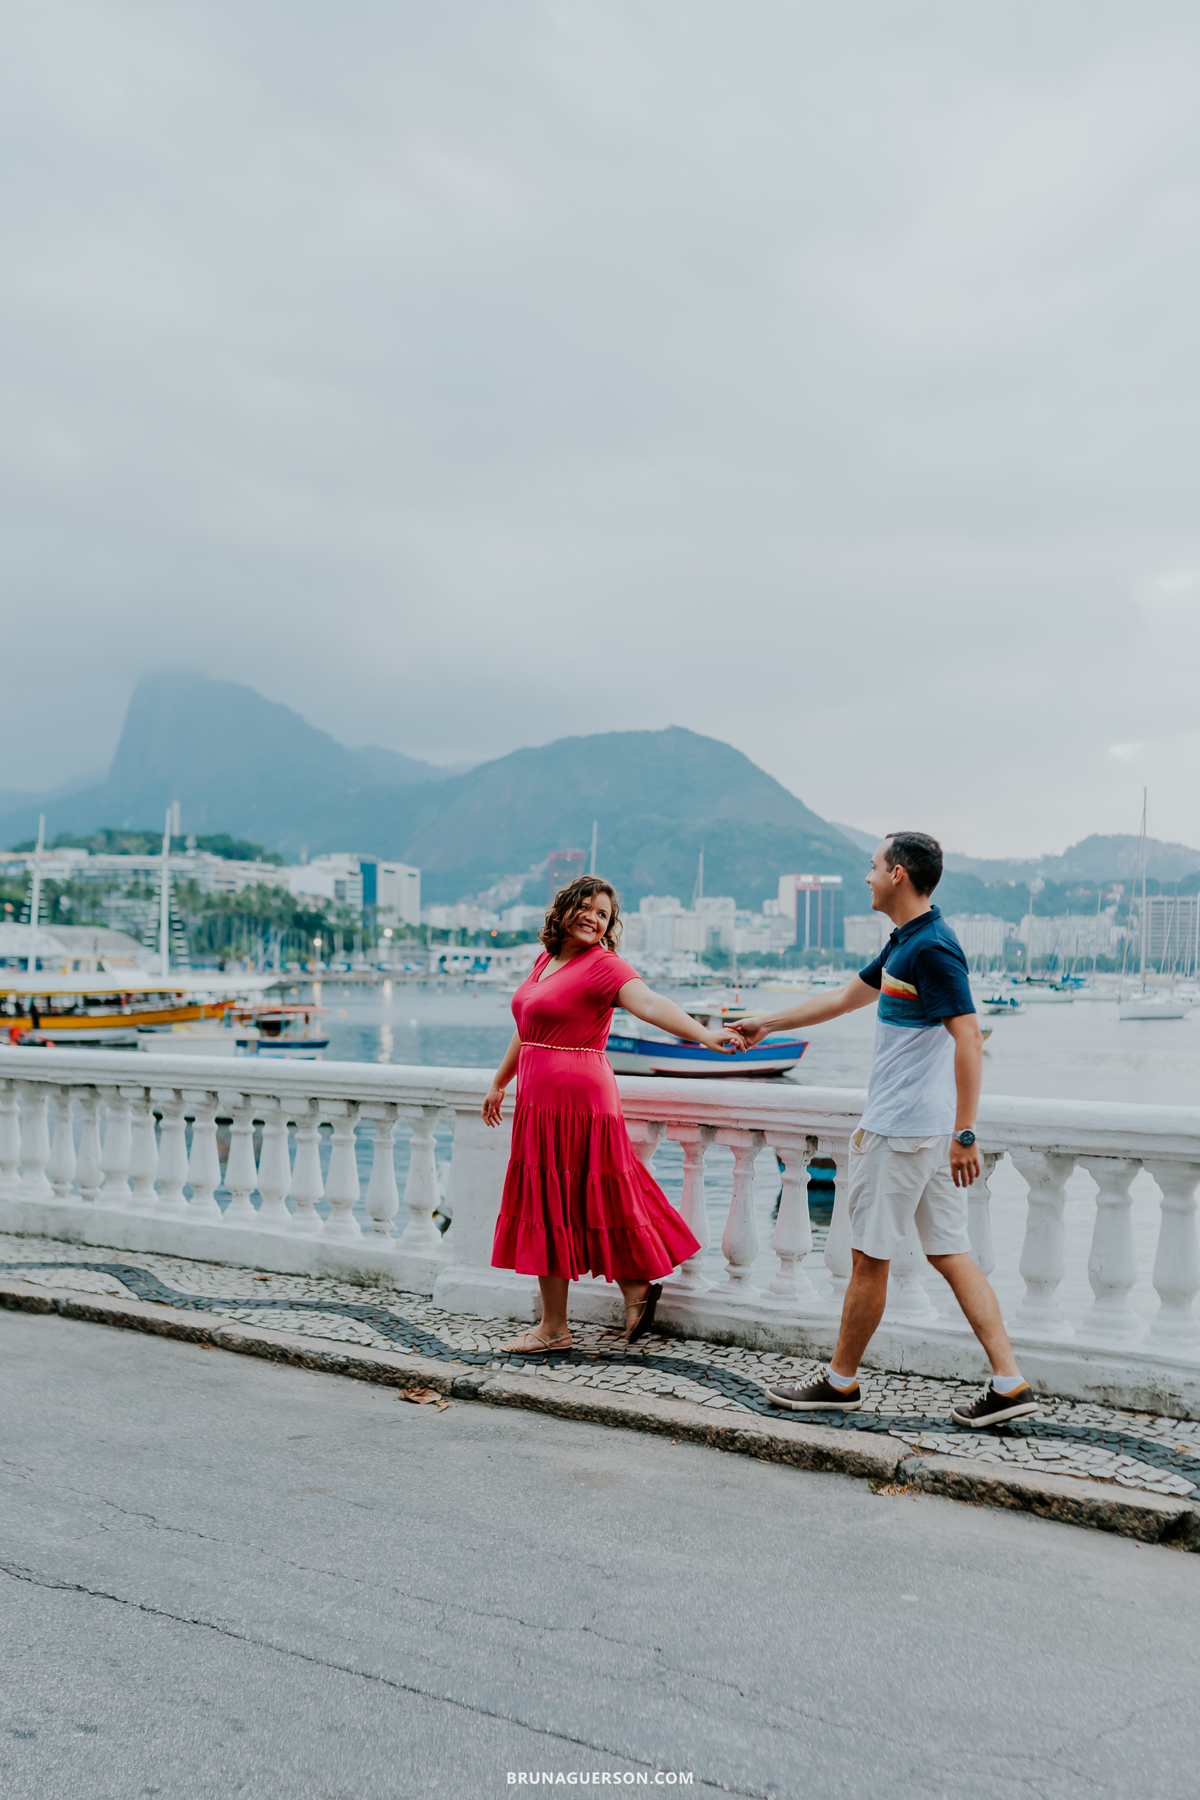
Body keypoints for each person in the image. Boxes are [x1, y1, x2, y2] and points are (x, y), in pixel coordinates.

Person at [729, 833, 1038, 1429]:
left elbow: (969, 1037)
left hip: (900, 1133)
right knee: (951, 1253)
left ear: (898, 874)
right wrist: (766, 1023)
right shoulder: (906, 941)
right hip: (919, 1131)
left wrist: (967, 1133)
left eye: (872, 867)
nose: (865, 876)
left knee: (869, 1257)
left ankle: (840, 1382)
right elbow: (848, 997)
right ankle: (1010, 1382)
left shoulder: (932, 948)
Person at [484, 874, 739, 1355]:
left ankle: (557, 1327)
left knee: (577, 1196)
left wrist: (704, 1036)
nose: (593, 918)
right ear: (563, 909)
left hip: (578, 1100)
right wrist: (500, 1082)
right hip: (540, 1101)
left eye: (603, 914)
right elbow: (527, 1028)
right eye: (586, 907)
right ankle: (631, 1292)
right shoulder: (546, 961)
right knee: (571, 1199)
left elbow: (649, 1003)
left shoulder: (603, 965)